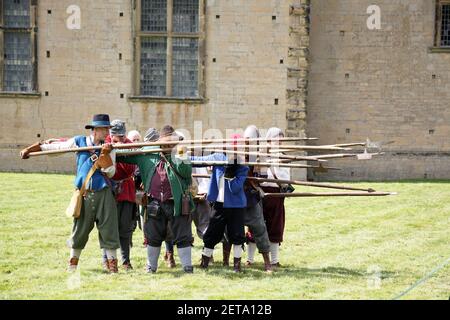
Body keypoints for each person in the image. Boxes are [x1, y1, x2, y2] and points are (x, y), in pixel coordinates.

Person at [20, 114, 120, 273]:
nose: (107, 132)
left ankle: (113, 266)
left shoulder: (109, 147)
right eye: (104, 129)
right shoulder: (79, 142)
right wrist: (31, 149)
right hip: (84, 193)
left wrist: (106, 156)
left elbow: (111, 173)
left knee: (109, 230)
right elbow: (58, 148)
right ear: (95, 130)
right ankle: (72, 265)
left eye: (108, 129)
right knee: (79, 230)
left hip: (104, 193)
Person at [117, 125, 195, 273]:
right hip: (154, 202)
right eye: (166, 142)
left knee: (183, 235)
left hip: (177, 202)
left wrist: (176, 153)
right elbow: (124, 154)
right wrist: (114, 147)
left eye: (171, 142)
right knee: (153, 236)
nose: (168, 144)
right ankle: (151, 267)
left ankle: (187, 267)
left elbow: (185, 172)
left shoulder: (180, 151)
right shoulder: (147, 151)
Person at [193, 134, 250, 272]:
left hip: (236, 206)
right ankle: (205, 262)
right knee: (211, 234)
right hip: (219, 204)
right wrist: (180, 155)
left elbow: (236, 188)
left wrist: (230, 174)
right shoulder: (218, 157)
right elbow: (198, 160)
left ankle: (237, 265)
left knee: (237, 235)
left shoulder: (242, 167)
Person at [101, 120, 137, 271]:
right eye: (116, 135)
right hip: (108, 190)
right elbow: (105, 164)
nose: (119, 138)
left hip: (126, 191)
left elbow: (129, 168)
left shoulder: (129, 144)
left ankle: (125, 261)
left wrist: (119, 150)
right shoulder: (104, 143)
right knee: (107, 227)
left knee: (125, 228)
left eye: (121, 135)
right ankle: (106, 259)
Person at [241, 125, 273, 272]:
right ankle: (228, 261)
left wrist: (255, 170)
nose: (248, 144)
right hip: (237, 198)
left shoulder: (260, 157)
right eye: (246, 141)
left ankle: (267, 262)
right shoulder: (236, 155)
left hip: (251, 197)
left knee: (259, 228)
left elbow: (262, 178)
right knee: (229, 230)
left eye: (251, 141)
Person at [259, 127, 291, 268]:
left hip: (277, 194)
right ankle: (250, 259)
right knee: (257, 225)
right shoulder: (260, 155)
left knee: (275, 227)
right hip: (261, 193)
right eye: (277, 138)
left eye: (281, 139)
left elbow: (285, 178)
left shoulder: (284, 156)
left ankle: (274, 260)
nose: (279, 141)